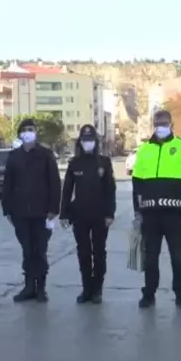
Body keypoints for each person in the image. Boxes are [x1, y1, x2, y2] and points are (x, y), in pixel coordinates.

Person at [132, 110, 181, 309]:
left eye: (165, 123)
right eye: (158, 123)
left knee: (178, 258)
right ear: (153, 124)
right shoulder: (144, 150)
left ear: (171, 124)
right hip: (150, 215)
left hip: (175, 215)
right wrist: (138, 209)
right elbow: (137, 182)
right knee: (150, 259)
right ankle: (149, 294)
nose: (161, 126)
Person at [2, 118, 61, 303]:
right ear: (20, 134)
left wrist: (53, 208)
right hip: (20, 213)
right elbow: (8, 185)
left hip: (42, 213)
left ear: (36, 133)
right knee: (27, 251)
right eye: (25, 129)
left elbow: (55, 183)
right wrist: (7, 210)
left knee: (40, 251)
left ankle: (41, 288)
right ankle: (29, 287)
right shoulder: (14, 157)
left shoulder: (45, 155)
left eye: (31, 129)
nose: (28, 132)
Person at [60, 125, 116, 304]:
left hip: (100, 216)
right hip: (80, 216)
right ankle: (86, 289)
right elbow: (67, 190)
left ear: (96, 142)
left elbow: (110, 190)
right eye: (85, 140)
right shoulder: (74, 164)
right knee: (83, 253)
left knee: (99, 253)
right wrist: (64, 213)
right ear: (80, 142)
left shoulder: (104, 163)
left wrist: (110, 213)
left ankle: (97, 289)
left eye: (91, 140)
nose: (88, 143)